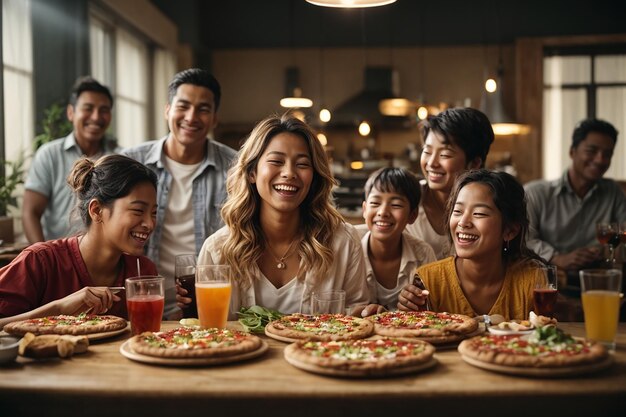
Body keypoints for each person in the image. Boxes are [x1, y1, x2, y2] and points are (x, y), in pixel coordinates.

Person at [178, 113, 370, 319]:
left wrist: (368, 313)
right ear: (252, 173)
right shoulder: (217, 250)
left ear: (313, 178)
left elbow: (357, 314)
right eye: (276, 161)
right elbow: (208, 331)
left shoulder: (344, 242)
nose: (289, 173)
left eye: (302, 164)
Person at [122, 68, 237, 319]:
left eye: (203, 109)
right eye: (183, 106)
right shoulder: (131, 162)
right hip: (138, 299)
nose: (191, 117)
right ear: (167, 110)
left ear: (215, 118)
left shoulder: (236, 168)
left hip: (206, 305)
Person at [0, 155, 158, 327]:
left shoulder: (143, 271)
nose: (150, 224)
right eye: (138, 210)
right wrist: (59, 309)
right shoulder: (39, 261)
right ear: (96, 210)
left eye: (154, 213)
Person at [398, 169, 545, 320]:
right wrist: (408, 312)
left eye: (479, 213)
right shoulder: (429, 281)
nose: (463, 222)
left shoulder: (534, 281)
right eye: (458, 211)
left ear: (510, 230)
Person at [22, 76, 118, 243]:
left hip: (105, 260)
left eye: (104, 110)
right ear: (71, 113)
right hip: (57, 260)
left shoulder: (119, 159)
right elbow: (30, 213)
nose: (96, 117)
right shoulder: (49, 154)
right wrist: (43, 258)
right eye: (88, 108)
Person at [525, 118, 626, 273]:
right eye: (591, 151)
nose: (600, 160)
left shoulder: (614, 193)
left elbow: (622, 235)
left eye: (607, 154)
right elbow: (525, 239)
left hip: (600, 280)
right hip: (551, 283)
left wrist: (608, 251)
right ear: (572, 152)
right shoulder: (536, 193)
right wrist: (557, 258)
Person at [405, 107, 494, 259]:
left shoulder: (491, 210)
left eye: (445, 154)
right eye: (426, 151)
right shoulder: (406, 199)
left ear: (474, 163)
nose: (432, 163)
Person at [355, 167, 436, 311]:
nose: (383, 212)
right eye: (375, 203)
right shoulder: (349, 247)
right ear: (364, 209)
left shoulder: (423, 254)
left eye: (396, 205)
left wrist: (420, 306)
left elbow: (434, 308)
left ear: (412, 215)